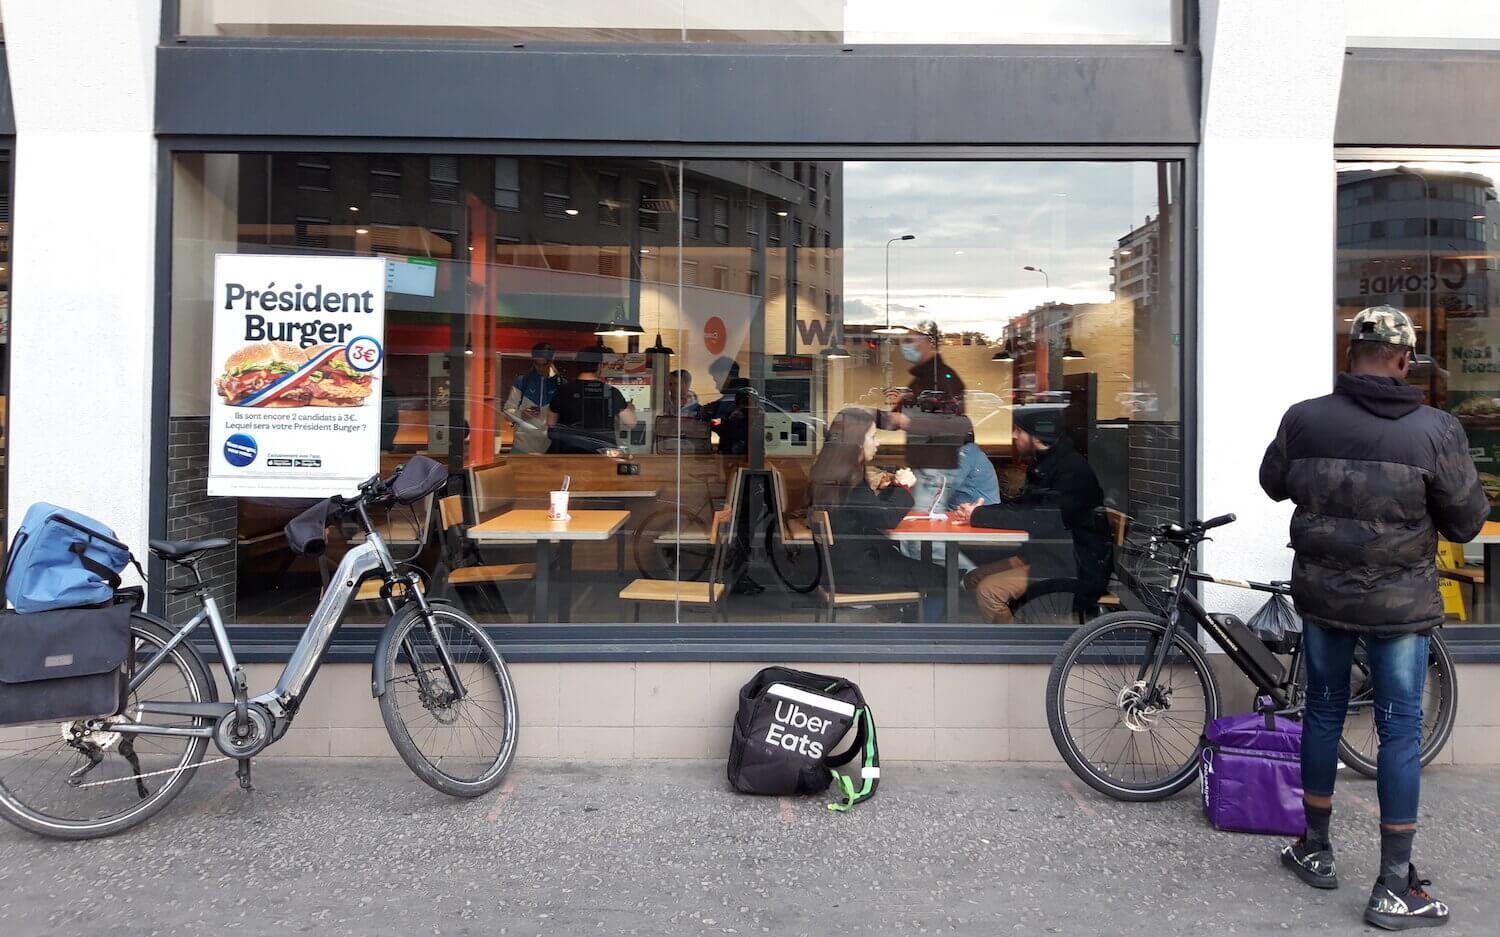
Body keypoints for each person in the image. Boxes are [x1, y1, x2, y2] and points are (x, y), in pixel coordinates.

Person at [1260, 305, 1486, 931]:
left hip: (1325, 598)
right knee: (1400, 729)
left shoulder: (1304, 420)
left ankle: (1316, 848)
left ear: (1351, 350)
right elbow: (1467, 521)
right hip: (1398, 606)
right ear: (1404, 358)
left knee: (1325, 709)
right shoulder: (1435, 430)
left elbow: (1271, 483)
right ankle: (1392, 886)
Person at [952, 404, 1109, 624]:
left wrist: (978, 515)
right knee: (973, 578)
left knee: (989, 591)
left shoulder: (1070, 470)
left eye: (1018, 429)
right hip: (1048, 554)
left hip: (1073, 563)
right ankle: (1016, 623)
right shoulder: (1047, 463)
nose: (1014, 435)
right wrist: (978, 512)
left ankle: (1014, 648)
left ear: (1036, 435)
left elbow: (1039, 518)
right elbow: (1023, 507)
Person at [808, 407, 945, 621]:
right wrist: (903, 487)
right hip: (859, 573)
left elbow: (871, 512)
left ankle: (907, 627)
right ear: (857, 442)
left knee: (923, 571)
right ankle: (922, 638)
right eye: (873, 437)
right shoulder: (848, 478)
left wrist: (893, 488)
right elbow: (886, 518)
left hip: (840, 569)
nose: (877, 442)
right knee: (941, 576)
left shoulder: (828, 473)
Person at [897, 416, 1001, 573]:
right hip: (963, 523)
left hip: (975, 528)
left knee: (914, 541)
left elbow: (935, 491)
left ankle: (972, 580)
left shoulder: (964, 456)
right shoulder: (966, 453)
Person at [546, 345, 637, 454]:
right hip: (601, 454)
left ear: (578, 365)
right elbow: (631, 422)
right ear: (599, 366)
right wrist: (630, 408)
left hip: (568, 453)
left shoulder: (562, 391)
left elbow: (551, 423)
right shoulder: (611, 391)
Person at [502, 342, 561, 454]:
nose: (541, 368)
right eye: (537, 364)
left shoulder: (560, 384)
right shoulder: (522, 381)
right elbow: (507, 411)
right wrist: (521, 414)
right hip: (522, 446)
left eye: (545, 364)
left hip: (550, 448)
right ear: (533, 361)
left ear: (552, 360)